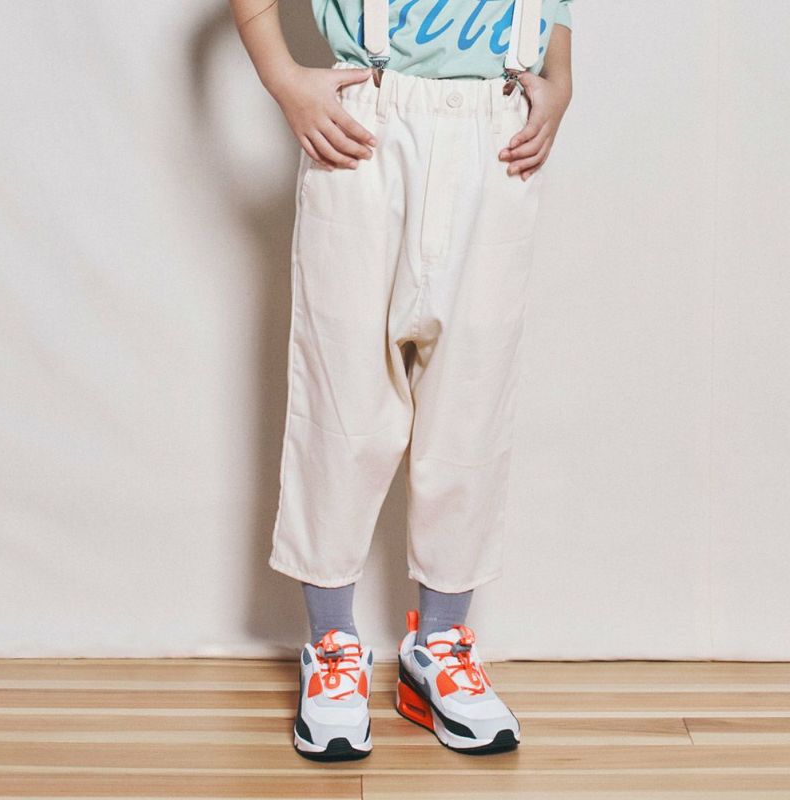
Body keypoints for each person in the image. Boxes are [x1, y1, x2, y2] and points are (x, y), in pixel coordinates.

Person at [229, 0, 573, 761]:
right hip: (368, 130)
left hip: (497, 132)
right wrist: (283, 78)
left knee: (470, 403)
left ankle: (440, 644)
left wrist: (562, 76)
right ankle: (332, 646)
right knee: (345, 400)